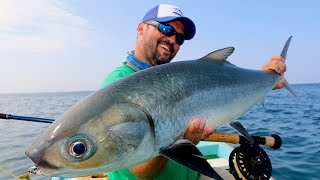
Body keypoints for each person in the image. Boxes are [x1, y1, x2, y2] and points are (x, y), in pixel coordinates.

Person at [101, 4, 287, 180]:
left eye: (179, 38)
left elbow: (235, 90)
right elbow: (143, 173)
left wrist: (270, 78)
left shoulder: (177, 79)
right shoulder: (118, 86)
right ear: (141, 28)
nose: (173, 39)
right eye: (166, 29)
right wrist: (183, 142)